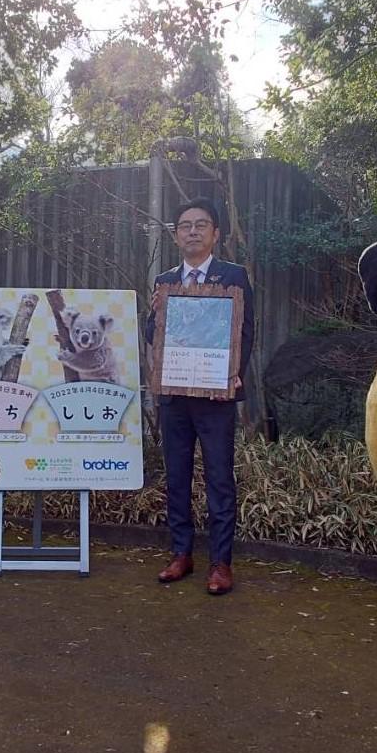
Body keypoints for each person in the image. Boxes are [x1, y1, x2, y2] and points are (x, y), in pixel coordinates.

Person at [144, 200, 254, 595]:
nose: (192, 231)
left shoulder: (233, 276)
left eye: (201, 224)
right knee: (176, 476)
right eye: (185, 225)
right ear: (176, 235)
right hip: (175, 395)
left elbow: (245, 330)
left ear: (215, 233)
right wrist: (155, 314)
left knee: (219, 479)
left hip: (215, 396)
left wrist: (234, 374)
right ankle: (181, 554)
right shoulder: (164, 281)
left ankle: (221, 563)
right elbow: (153, 337)